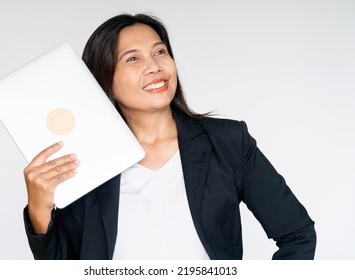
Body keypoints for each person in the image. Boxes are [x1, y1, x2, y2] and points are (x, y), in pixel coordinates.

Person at [23, 13, 316, 260]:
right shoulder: (82, 162)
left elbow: (297, 234)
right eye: (133, 58)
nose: (155, 66)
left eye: (160, 51)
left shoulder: (228, 142)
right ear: (105, 80)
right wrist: (39, 207)